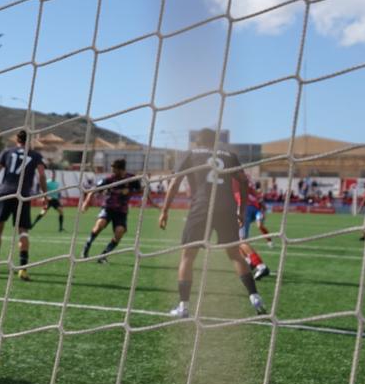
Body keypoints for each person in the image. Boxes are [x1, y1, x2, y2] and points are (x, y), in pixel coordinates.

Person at [157, 128, 267, 318]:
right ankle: (255, 297)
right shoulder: (229, 155)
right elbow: (243, 181)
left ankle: (183, 307)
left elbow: (175, 183)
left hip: (202, 207)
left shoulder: (190, 154)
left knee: (187, 256)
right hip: (226, 208)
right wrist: (241, 210)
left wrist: (165, 210)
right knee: (234, 254)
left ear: (197, 142)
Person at [0, 130, 46, 281]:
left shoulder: (7, 152)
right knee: (23, 232)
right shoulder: (35, 155)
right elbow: (41, 175)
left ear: (16, 140)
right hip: (23, 195)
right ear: (29, 140)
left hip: (5, 192)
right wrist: (45, 195)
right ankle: (22, 270)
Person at [79, 159, 141, 263]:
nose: (112, 171)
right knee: (99, 225)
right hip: (108, 208)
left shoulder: (132, 179)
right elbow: (93, 190)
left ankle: (103, 255)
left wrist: (130, 191)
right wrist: (86, 202)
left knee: (119, 232)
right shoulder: (109, 179)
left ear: (121, 169)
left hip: (121, 211)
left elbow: (140, 189)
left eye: (114, 169)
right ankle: (85, 249)